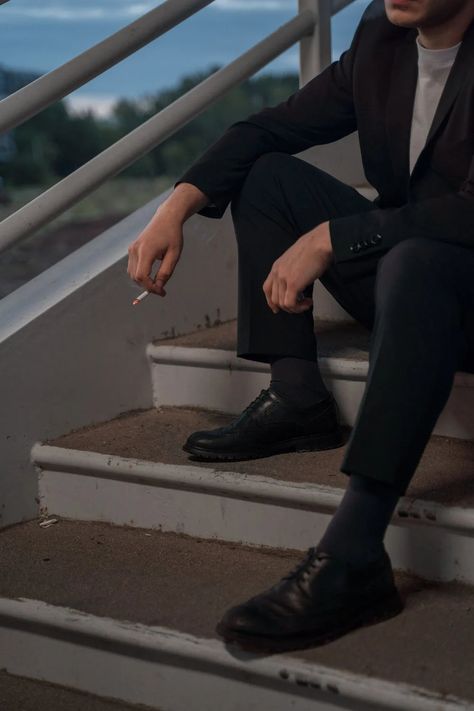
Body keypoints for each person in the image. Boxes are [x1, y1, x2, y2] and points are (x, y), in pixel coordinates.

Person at [127, 0, 474, 652]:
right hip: (408, 278)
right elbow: (267, 127)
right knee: (267, 177)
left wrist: (334, 238)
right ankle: (297, 395)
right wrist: (176, 207)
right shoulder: (382, 36)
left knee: (415, 260)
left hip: (455, 283)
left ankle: (354, 553)